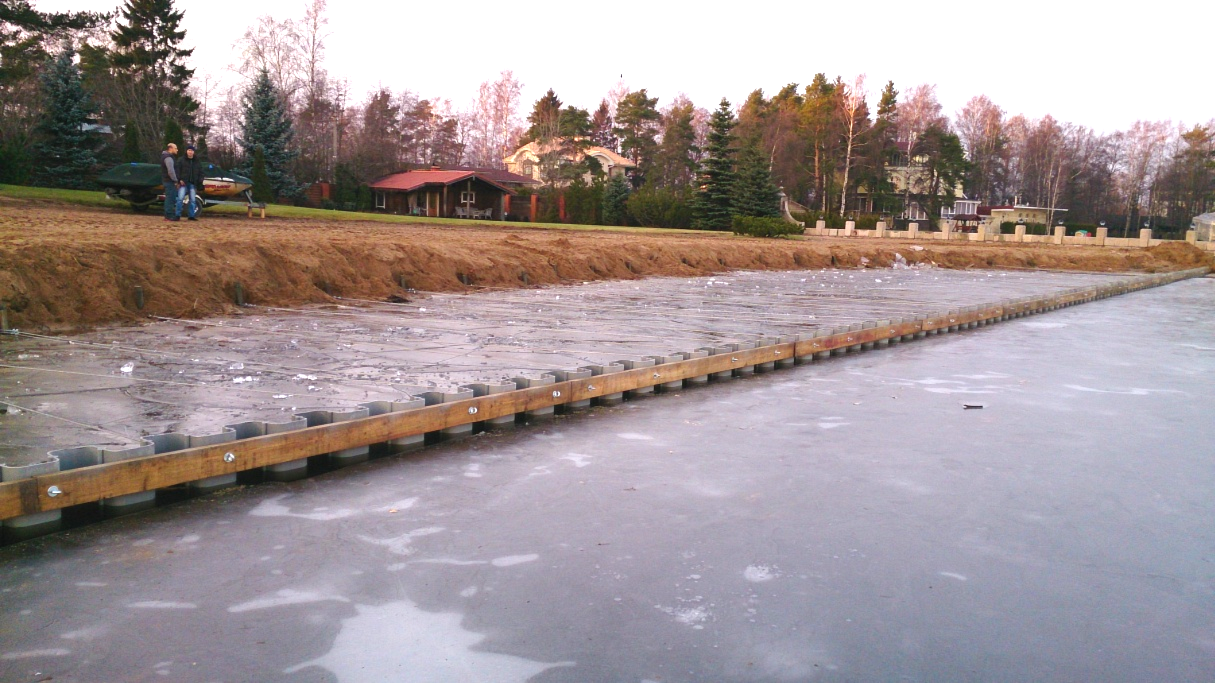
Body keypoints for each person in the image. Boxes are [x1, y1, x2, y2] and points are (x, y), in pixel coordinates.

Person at [176, 144, 204, 221]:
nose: (190, 152)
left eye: (191, 150)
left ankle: (191, 216)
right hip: (183, 183)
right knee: (180, 199)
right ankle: (177, 215)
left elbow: (201, 172)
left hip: (193, 184)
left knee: (192, 200)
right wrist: (179, 180)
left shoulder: (197, 162)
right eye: (189, 150)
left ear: (194, 152)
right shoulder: (181, 160)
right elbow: (177, 171)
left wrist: (200, 181)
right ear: (186, 151)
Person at [160, 142, 180, 221]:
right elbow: (171, 171)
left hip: (167, 180)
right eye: (175, 148)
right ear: (170, 148)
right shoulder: (168, 158)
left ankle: (168, 214)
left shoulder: (165, 156)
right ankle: (169, 215)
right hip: (169, 181)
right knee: (170, 198)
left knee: (170, 198)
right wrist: (175, 180)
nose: (177, 150)